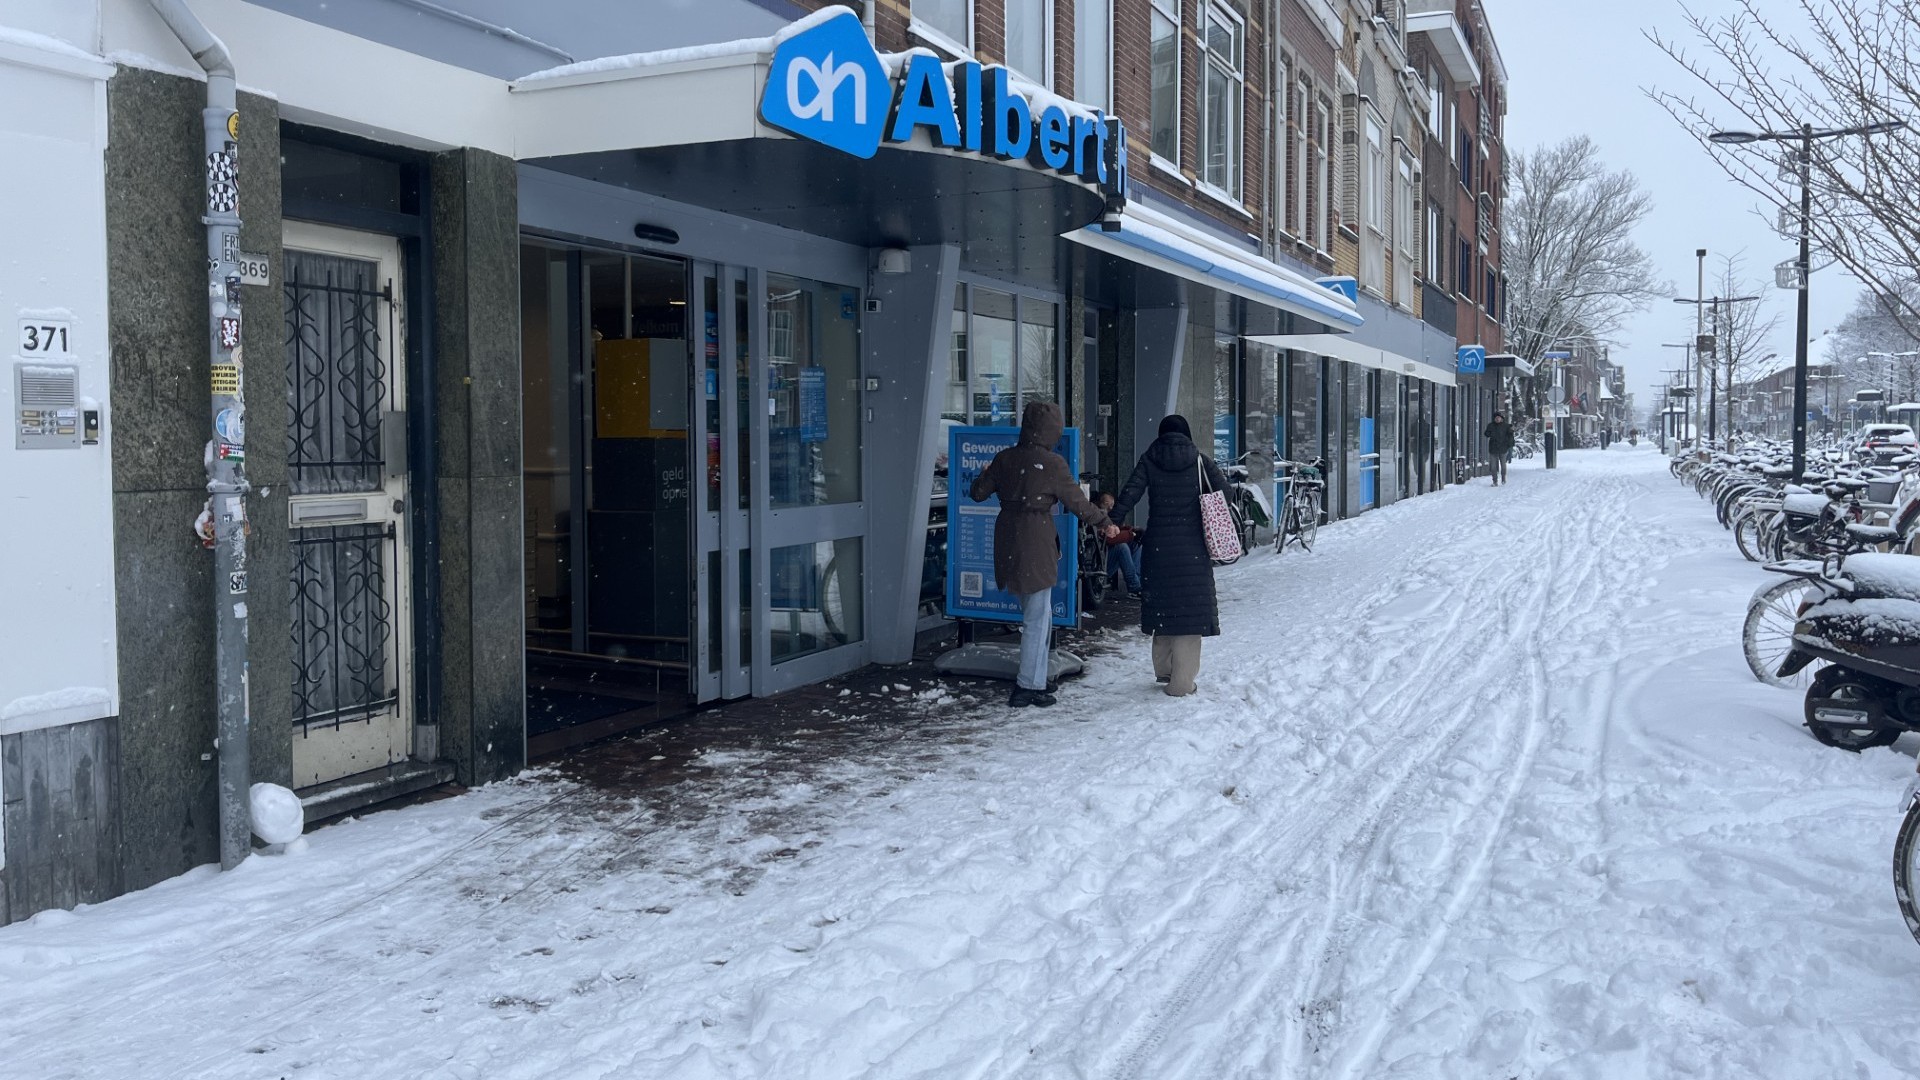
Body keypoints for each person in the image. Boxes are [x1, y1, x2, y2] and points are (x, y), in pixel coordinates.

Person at [968, 401, 1115, 708]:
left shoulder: (1004, 459)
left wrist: (984, 474)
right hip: (1035, 538)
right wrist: (1104, 521)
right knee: (1037, 615)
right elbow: (1078, 504)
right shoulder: (1052, 463)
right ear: (1052, 431)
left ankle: (1036, 676)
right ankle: (1028, 685)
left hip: (1007, 537)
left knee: (1038, 613)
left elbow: (978, 493)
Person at [1108, 415, 1227, 697]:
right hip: (1192, 548)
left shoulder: (1150, 458)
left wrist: (1111, 521)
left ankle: (1164, 670)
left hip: (1159, 546)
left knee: (1163, 606)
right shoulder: (1200, 460)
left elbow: (1130, 493)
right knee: (1189, 613)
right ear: (1186, 434)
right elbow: (1226, 494)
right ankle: (1182, 683)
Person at [1095, 491, 1143, 596]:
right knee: (1122, 547)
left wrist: (1130, 530)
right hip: (1098, 565)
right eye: (1107, 504)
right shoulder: (1097, 516)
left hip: (1104, 558)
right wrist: (1131, 534)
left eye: (1112, 505)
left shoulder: (1105, 517)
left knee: (1134, 545)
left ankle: (1138, 582)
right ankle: (1134, 587)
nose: (1110, 508)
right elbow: (1109, 538)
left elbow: (1113, 532)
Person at [1484, 411, 1514, 485]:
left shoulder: (1506, 426)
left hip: (1503, 448)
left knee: (1503, 465)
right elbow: (1486, 433)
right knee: (1493, 466)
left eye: (1499, 418)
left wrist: (1511, 430)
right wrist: (1489, 433)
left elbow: (1510, 435)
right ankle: (1495, 481)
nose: (1497, 419)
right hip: (1493, 448)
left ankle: (1503, 479)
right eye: (1496, 418)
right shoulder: (1490, 425)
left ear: (1501, 418)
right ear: (1494, 419)